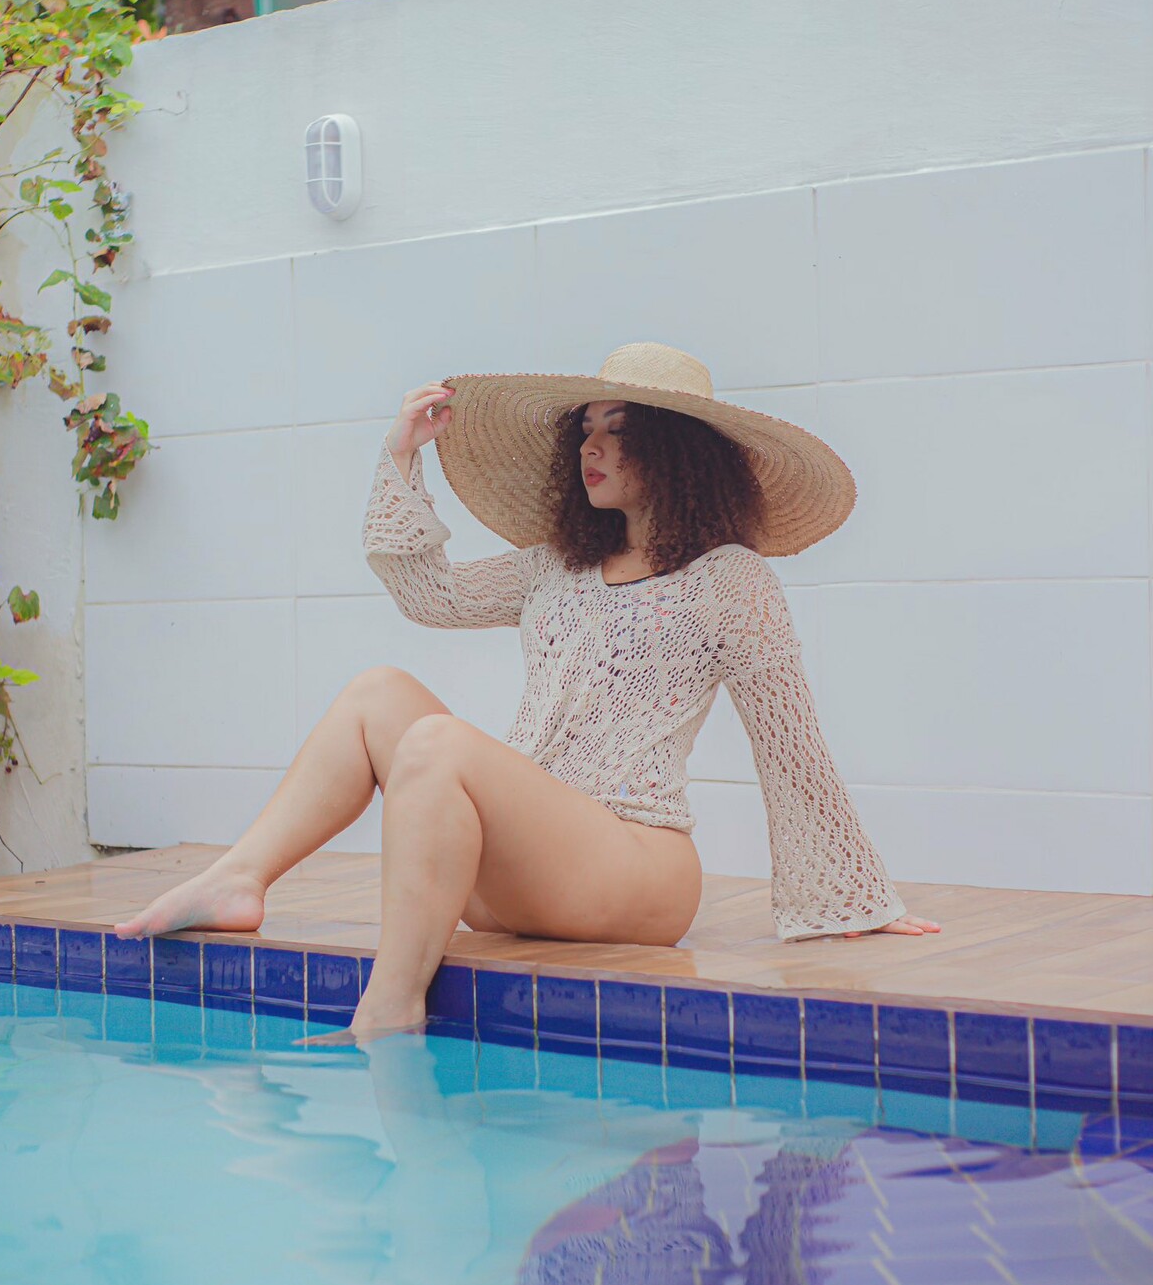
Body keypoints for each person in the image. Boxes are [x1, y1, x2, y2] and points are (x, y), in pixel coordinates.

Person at [115, 341, 938, 1037]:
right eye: (585, 429)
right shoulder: (556, 568)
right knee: (377, 693)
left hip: (636, 868)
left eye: (618, 430)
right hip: (525, 862)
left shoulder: (729, 580)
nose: (591, 447)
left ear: (677, 452)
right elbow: (428, 595)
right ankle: (241, 877)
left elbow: (789, 745)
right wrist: (400, 457)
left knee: (435, 744)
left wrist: (850, 895)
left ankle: (390, 1006)